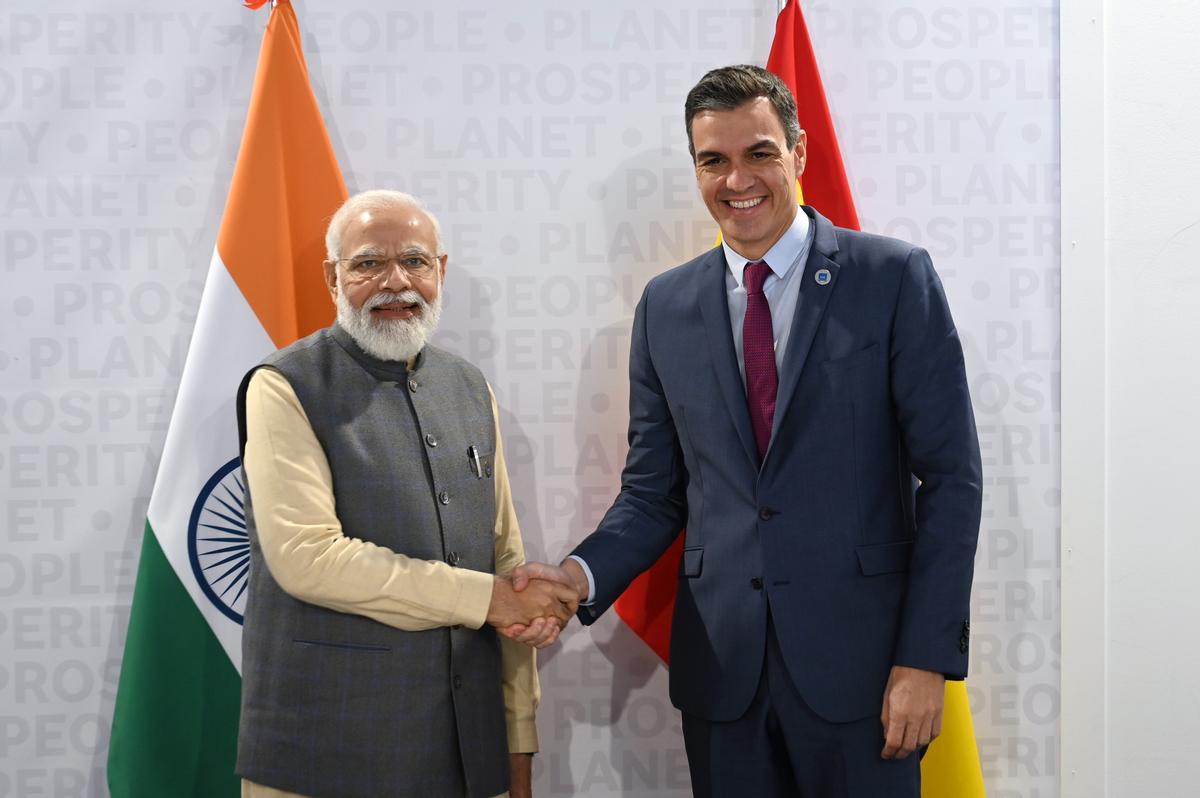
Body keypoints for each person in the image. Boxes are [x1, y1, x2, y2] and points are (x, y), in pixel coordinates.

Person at [511, 65, 983, 796]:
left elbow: (952, 479)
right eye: (714, 160)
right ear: (696, 169)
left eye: (759, 152)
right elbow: (653, 494)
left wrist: (925, 659)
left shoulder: (891, 278)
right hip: (724, 681)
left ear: (798, 153)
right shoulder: (665, 308)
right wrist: (578, 576)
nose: (738, 179)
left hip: (866, 678)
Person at [234, 190, 577, 798]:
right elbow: (309, 559)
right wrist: (490, 600)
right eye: (368, 263)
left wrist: (518, 739)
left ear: (440, 271)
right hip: (322, 757)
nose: (396, 282)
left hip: (467, 760)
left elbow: (507, 565)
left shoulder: (471, 389)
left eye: (415, 261)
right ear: (332, 277)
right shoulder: (283, 386)